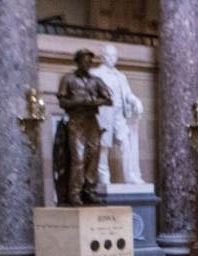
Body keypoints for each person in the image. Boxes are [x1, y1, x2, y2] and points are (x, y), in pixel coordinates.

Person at [56, 49, 113, 206]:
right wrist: (79, 102)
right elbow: (62, 102)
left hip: (92, 120)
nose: (87, 64)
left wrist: (94, 102)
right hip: (76, 120)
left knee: (93, 156)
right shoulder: (68, 79)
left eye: (89, 61)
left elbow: (109, 99)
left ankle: (89, 191)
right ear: (77, 61)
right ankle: (74, 193)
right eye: (84, 61)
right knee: (78, 158)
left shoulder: (96, 81)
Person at [91, 44, 144, 185]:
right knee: (104, 145)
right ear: (102, 57)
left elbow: (127, 94)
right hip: (103, 113)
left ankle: (130, 176)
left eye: (114, 56)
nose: (112, 59)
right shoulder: (95, 74)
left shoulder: (121, 76)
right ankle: (103, 176)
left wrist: (136, 101)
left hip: (119, 113)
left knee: (125, 143)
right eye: (109, 55)